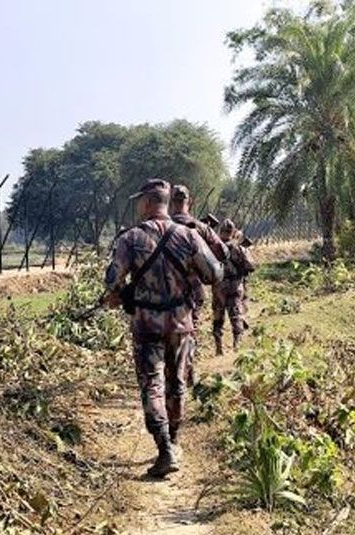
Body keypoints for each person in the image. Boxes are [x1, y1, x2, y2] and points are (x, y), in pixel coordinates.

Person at [103, 179, 222, 478]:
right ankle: (175, 441)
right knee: (177, 383)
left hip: (146, 327)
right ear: (166, 203)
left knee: (152, 385)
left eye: (138, 202)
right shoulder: (189, 235)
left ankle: (165, 447)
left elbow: (112, 281)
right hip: (182, 325)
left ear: (145, 203)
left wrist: (119, 294)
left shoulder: (130, 239)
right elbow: (214, 273)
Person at [167, 185, 228, 392]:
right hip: (191, 291)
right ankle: (188, 372)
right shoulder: (200, 227)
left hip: (160, 289)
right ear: (189, 202)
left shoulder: (159, 226)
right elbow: (223, 252)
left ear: (170, 202)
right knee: (189, 330)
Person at [212, 220, 255, 355]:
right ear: (233, 232)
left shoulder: (214, 247)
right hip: (236, 285)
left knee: (218, 316)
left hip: (219, 286)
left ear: (220, 232)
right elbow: (251, 266)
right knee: (236, 314)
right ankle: (237, 344)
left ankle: (218, 347)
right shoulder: (239, 248)